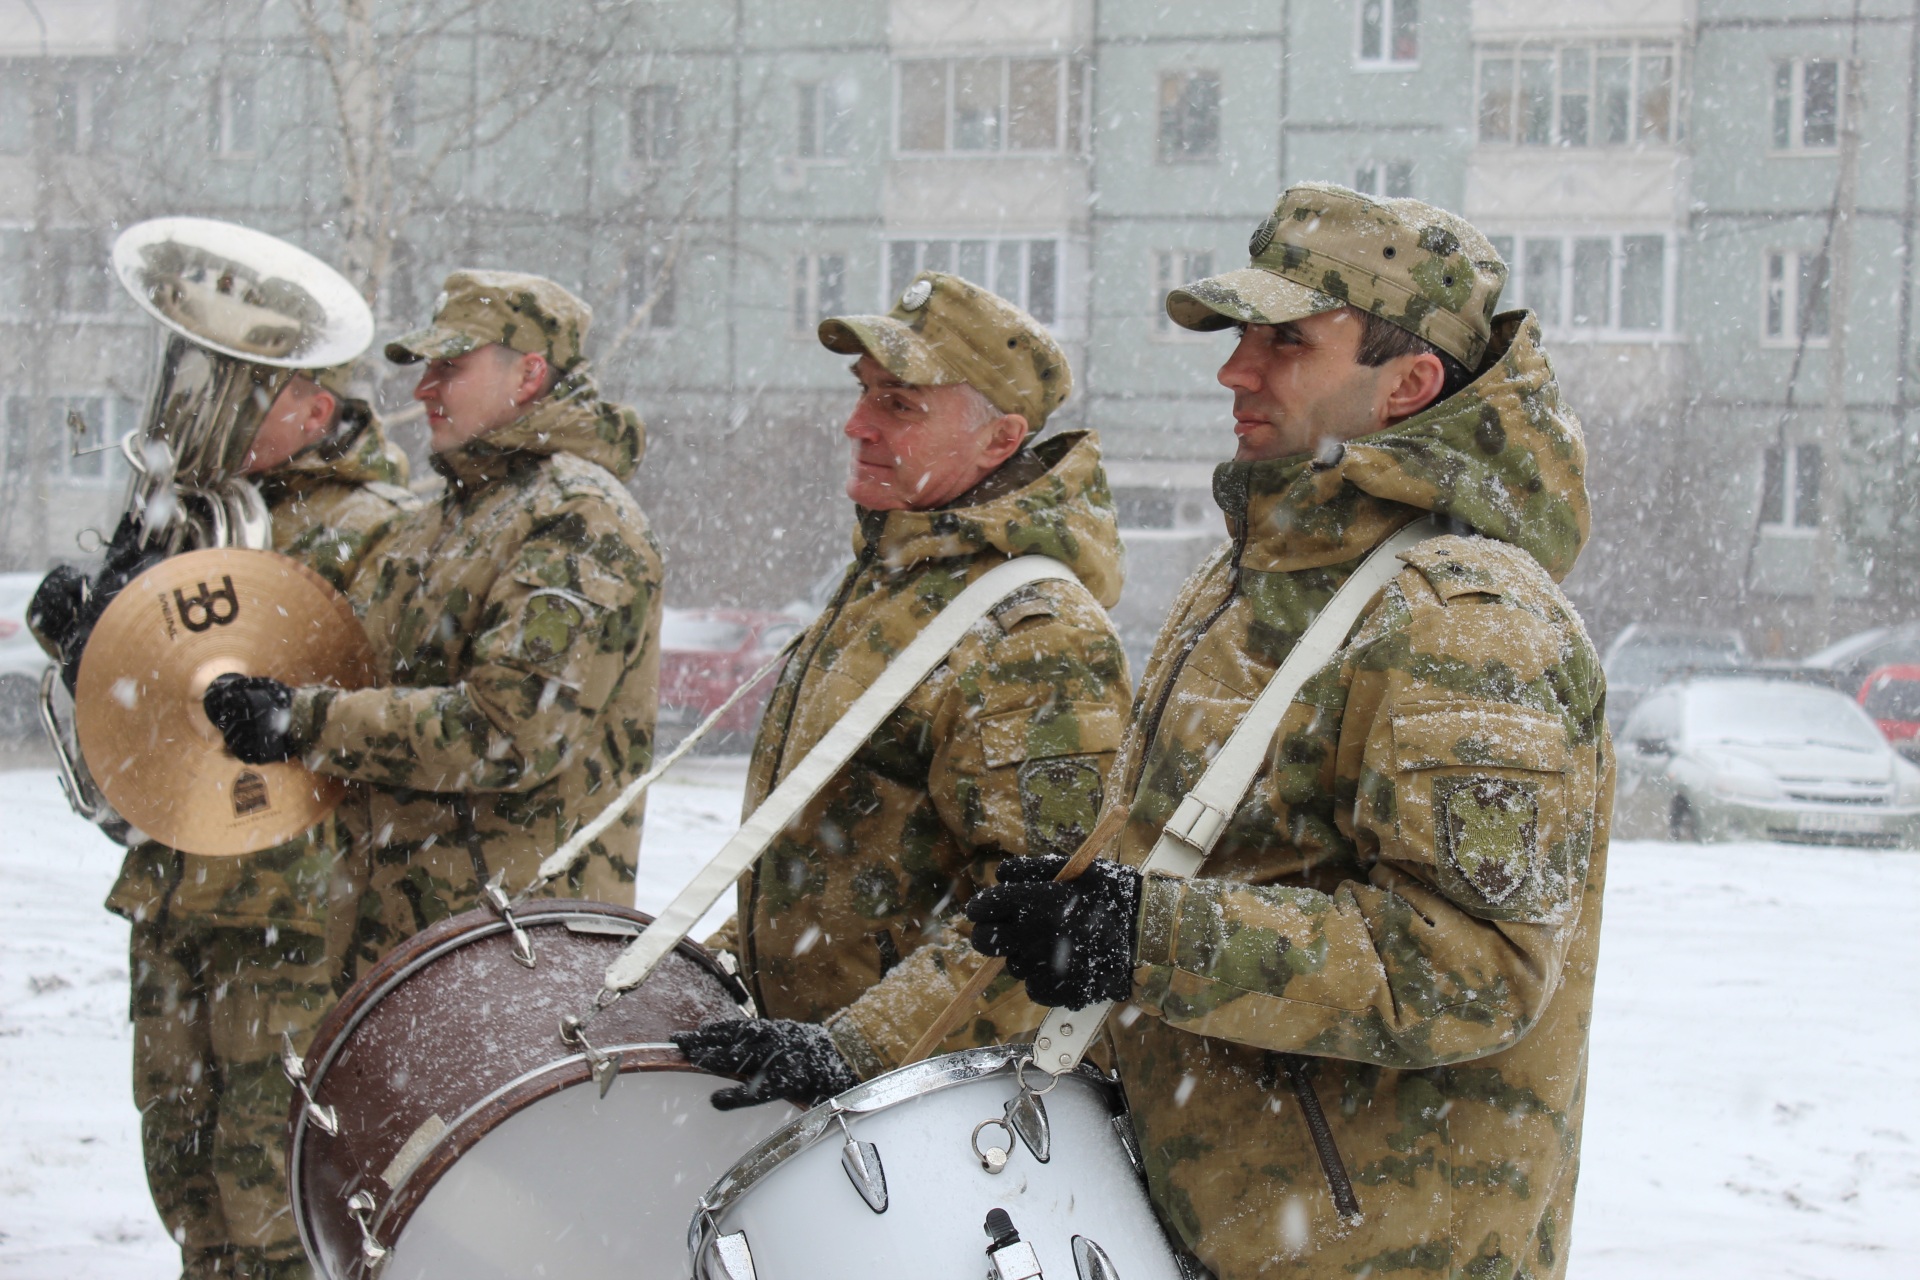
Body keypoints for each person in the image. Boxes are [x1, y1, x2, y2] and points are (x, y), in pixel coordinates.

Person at [964, 184, 1613, 1279]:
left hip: (1379, 1250)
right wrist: (855, 1049)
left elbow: (1472, 968)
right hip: (1212, 1223)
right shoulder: (1255, 580)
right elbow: (1138, 858)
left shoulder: (1464, 618)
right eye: (1239, 336)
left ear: (1408, 384)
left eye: (1286, 341)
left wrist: (1144, 936)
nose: (1235, 370)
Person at [673, 273, 1132, 1108]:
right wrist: (713, 965)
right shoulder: (889, 586)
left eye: (901, 405)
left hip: (930, 1118)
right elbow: (823, 852)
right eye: (864, 395)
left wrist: (851, 1051)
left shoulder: (1032, 635)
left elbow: (1041, 927)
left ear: (1000, 440)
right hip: (821, 1098)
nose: (858, 425)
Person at [34, 366, 416, 1280]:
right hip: (174, 891)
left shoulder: (375, 529)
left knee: (276, 1194)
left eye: (241, 394)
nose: (197, 414)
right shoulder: (184, 523)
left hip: (286, 910)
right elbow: (156, 711)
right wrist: (90, 632)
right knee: (187, 1177)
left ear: (316, 409)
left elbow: (359, 698)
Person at [202, 271, 664, 988]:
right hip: (397, 955)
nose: (424, 389)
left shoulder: (579, 521)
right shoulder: (437, 524)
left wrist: (304, 720)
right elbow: (328, 656)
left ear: (529, 374)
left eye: (450, 366)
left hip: (512, 963)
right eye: (426, 368)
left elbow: (507, 733)